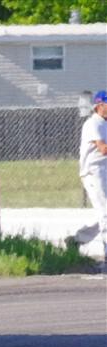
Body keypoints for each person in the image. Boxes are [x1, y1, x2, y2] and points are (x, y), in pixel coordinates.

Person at [77, 90, 107, 258]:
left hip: (104, 171)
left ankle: (77, 239)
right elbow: (103, 149)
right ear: (99, 105)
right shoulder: (93, 124)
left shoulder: (105, 123)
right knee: (105, 213)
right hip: (93, 172)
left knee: (104, 212)